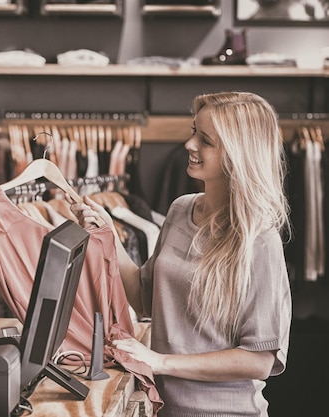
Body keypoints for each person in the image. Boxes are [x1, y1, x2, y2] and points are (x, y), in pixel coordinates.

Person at [70, 91, 292, 417]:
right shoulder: (180, 210)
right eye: (193, 132)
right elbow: (145, 297)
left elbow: (259, 360)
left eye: (205, 140)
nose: (189, 145)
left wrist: (160, 362)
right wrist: (107, 236)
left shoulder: (259, 239)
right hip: (165, 408)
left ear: (237, 154)